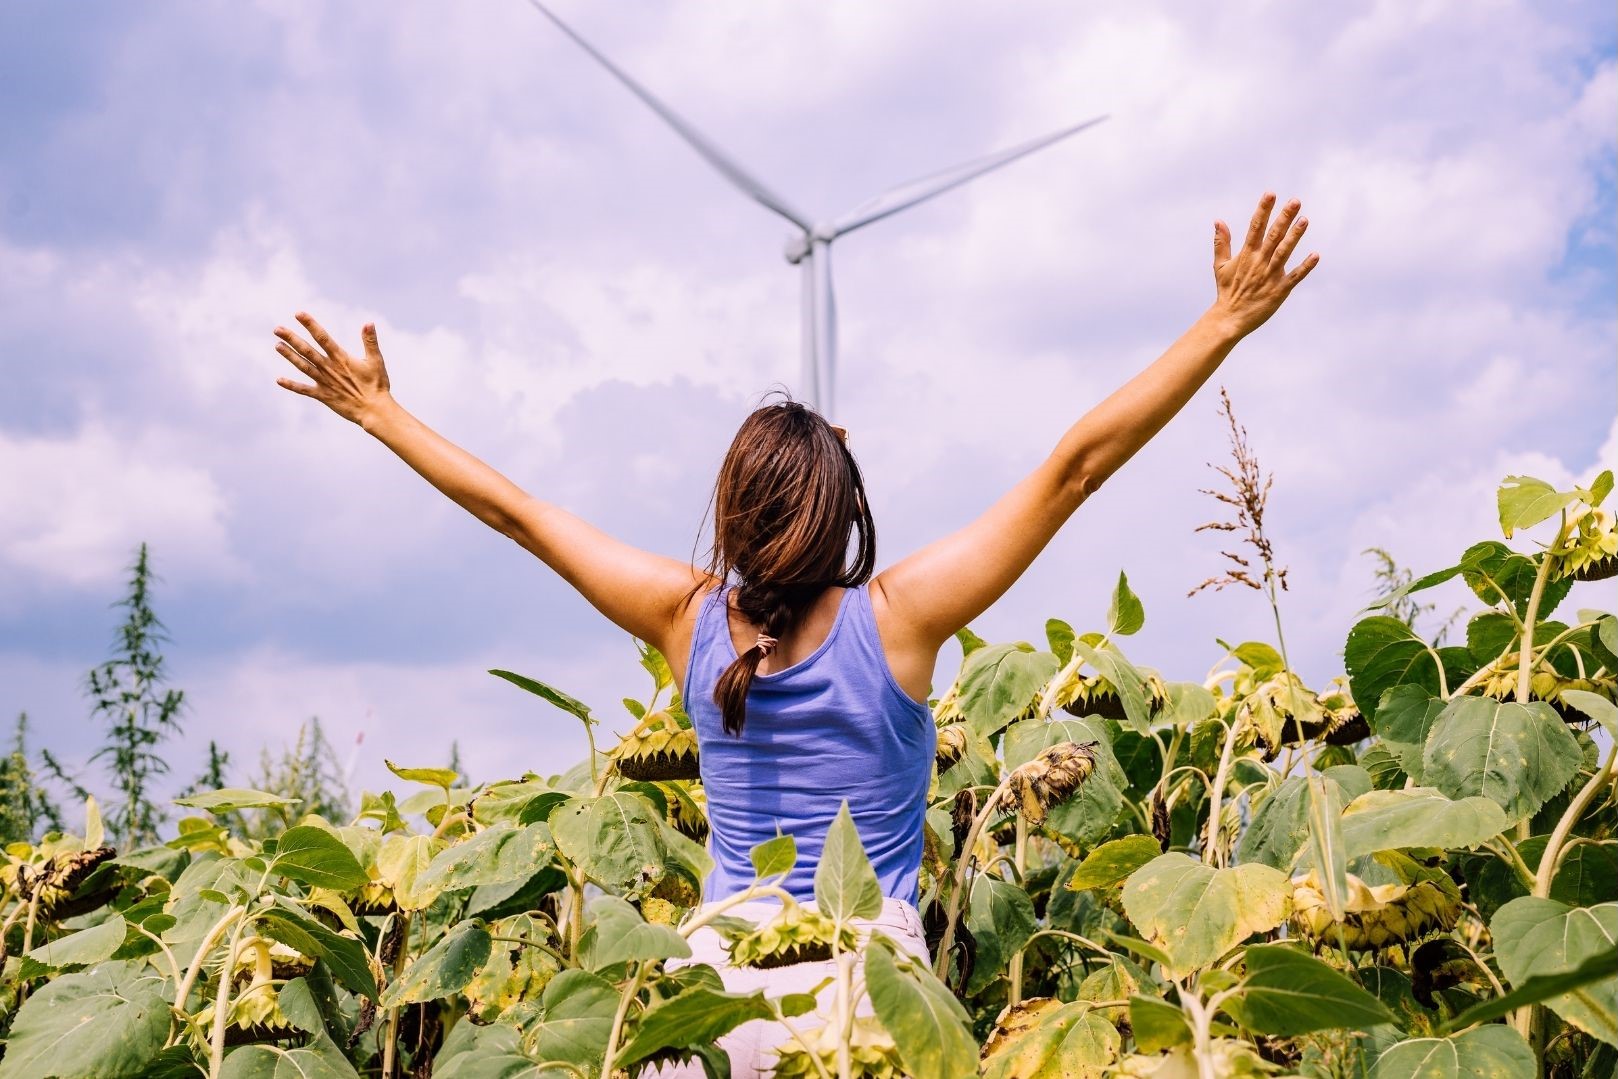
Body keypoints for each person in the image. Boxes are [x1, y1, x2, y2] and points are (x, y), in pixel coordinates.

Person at [272, 192, 1318, 1075]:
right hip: (864, 988)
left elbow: (520, 514)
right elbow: (1073, 468)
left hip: (713, 992)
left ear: (731, 514)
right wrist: (1222, 321)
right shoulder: (897, 620)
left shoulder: (686, 619)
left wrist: (379, 412)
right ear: (843, 506)